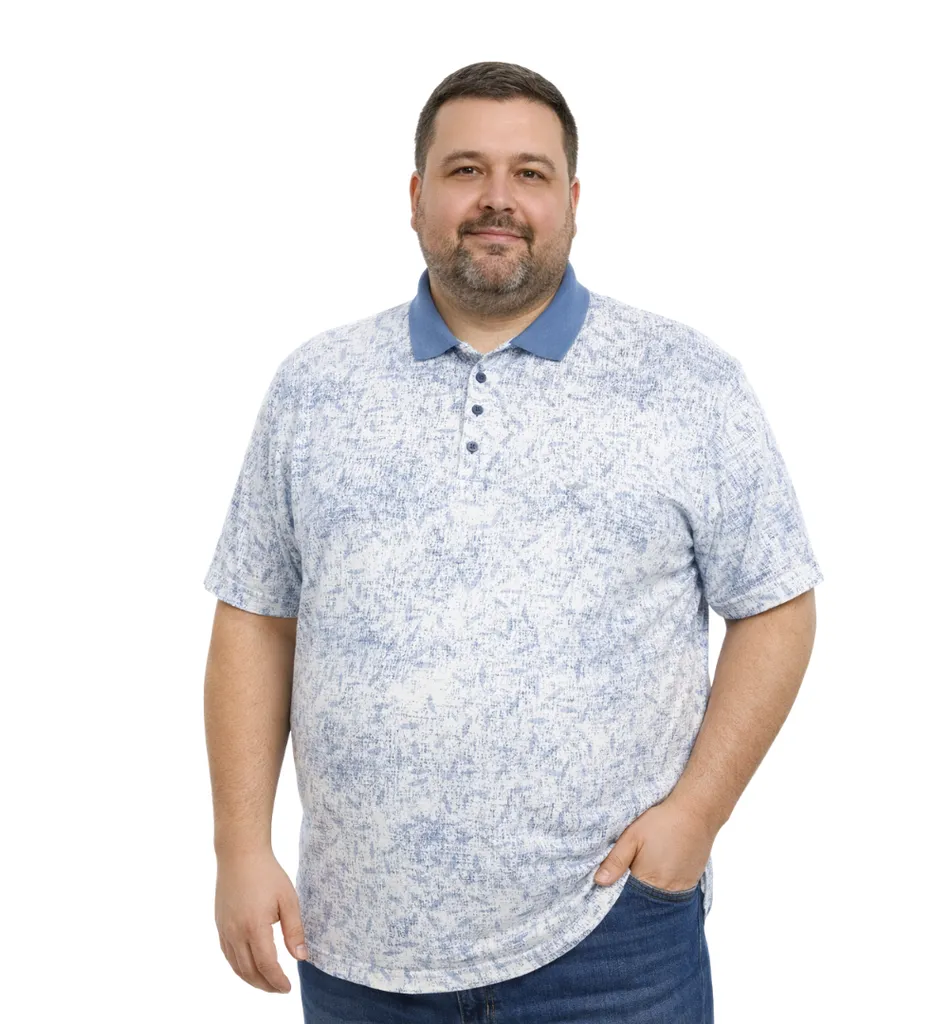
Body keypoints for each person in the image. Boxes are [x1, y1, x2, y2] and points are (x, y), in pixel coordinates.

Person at [203, 60, 823, 1024]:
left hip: (613, 940)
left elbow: (776, 604)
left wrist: (696, 817)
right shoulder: (316, 388)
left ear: (573, 201)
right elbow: (256, 619)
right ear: (416, 197)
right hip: (360, 944)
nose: (498, 199)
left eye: (530, 173)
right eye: (466, 171)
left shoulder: (686, 383)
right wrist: (239, 848)